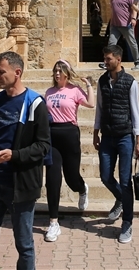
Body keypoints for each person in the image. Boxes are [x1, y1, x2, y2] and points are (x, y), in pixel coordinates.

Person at [0, 51, 50, 270]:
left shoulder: (35, 103)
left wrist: (14, 155)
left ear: (17, 72)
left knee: (24, 245)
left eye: (0, 72)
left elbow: (43, 146)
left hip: (20, 185)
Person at [93, 45, 139, 244]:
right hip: (107, 136)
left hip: (124, 136)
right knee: (105, 176)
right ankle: (121, 198)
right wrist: (95, 132)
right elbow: (99, 107)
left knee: (125, 181)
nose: (105, 62)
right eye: (105, 59)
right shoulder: (102, 81)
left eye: (108, 59)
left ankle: (127, 222)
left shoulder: (130, 82)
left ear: (118, 59)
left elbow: (136, 111)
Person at [43, 60, 95, 242]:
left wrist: (88, 85)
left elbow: (91, 104)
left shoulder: (74, 90)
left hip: (70, 134)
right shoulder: (49, 92)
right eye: (55, 71)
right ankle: (53, 222)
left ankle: (82, 189)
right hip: (52, 136)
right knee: (52, 178)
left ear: (67, 73)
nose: (57, 74)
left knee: (71, 178)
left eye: (60, 71)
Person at [108, 0, 139, 69]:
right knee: (111, 44)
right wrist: (111, 23)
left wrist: (134, 18)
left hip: (126, 25)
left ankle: (137, 62)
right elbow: (113, 11)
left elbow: (134, 7)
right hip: (115, 26)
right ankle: (108, 62)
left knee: (132, 43)